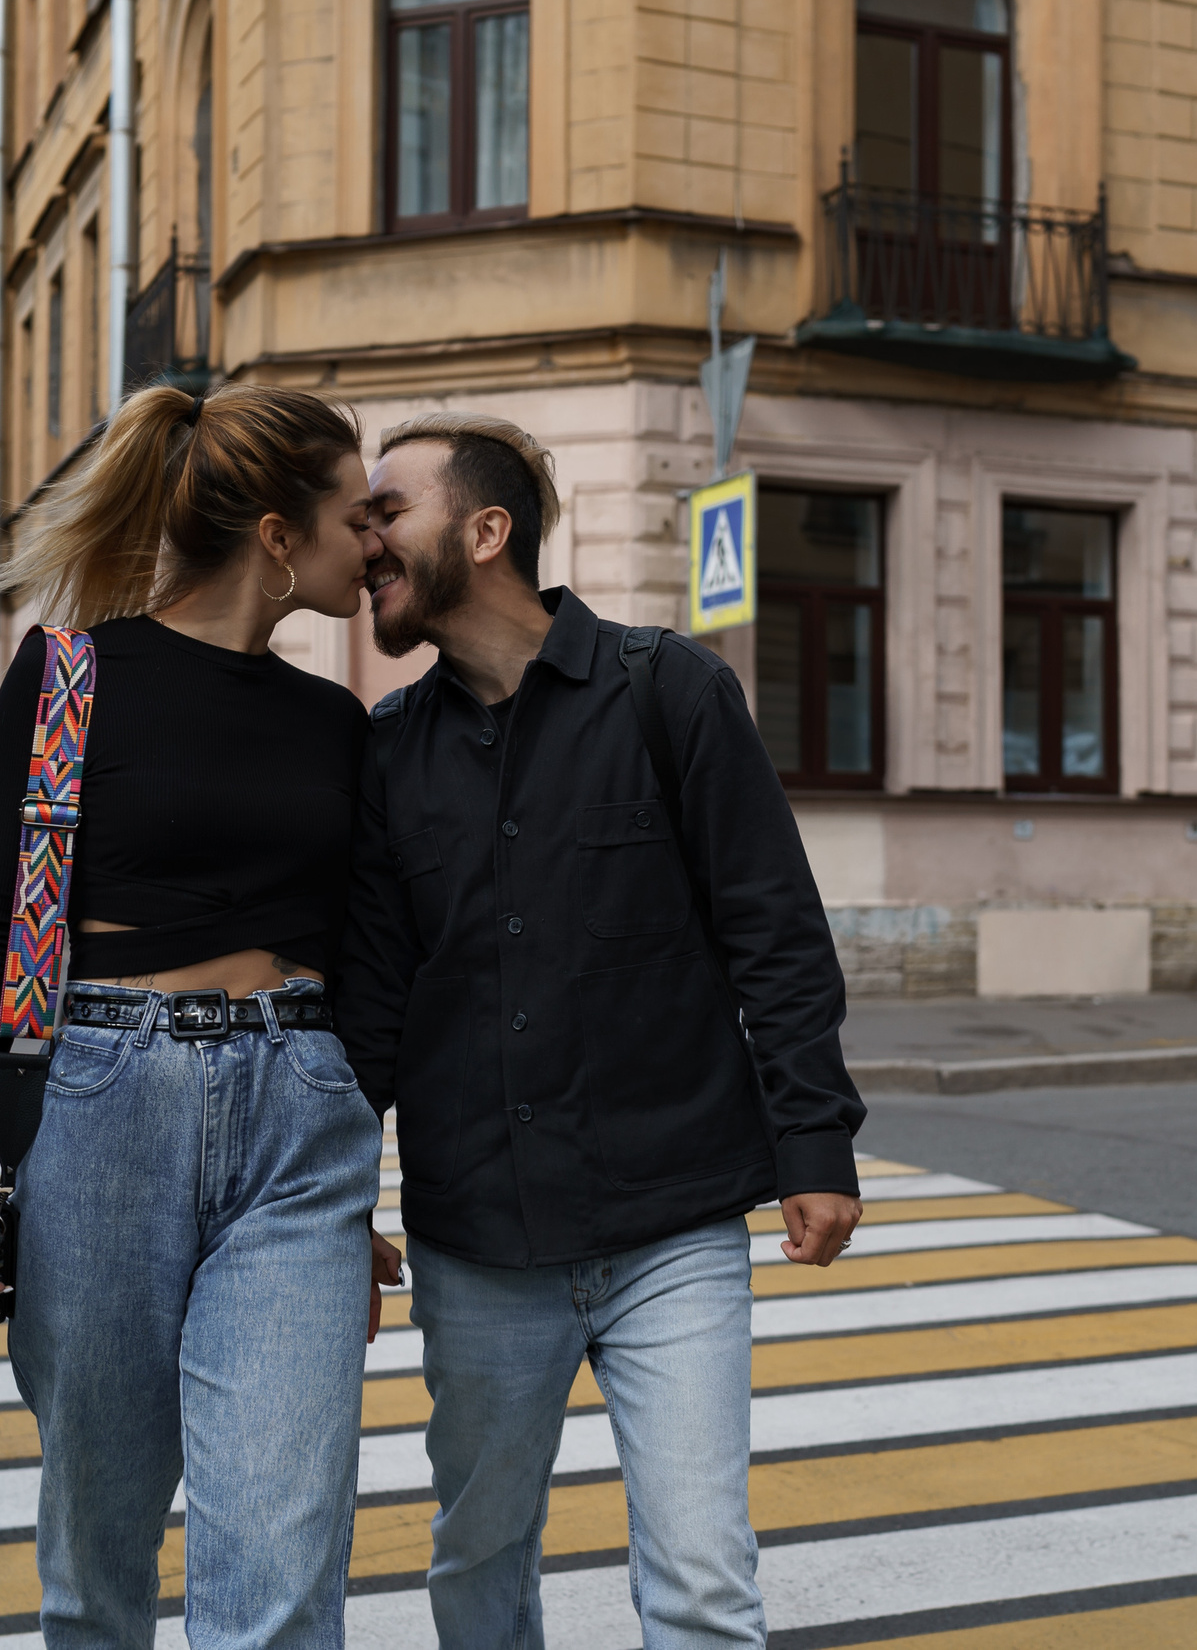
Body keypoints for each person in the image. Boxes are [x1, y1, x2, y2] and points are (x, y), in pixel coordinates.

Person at [342, 414, 868, 1649]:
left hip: (670, 1227)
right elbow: (368, 1004)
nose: (362, 537)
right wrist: (330, 1198)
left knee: (699, 1578)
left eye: (387, 510)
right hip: (476, 1243)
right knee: (477, 1557)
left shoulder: (667, 690)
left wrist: (814, 1143)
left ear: (485, 532)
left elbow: (773, 932)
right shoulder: (382, 756)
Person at [0, 381, 398, 1650]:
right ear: (280, 535)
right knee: (101, 1545)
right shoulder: (68, 679)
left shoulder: (339, 724)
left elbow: (363, 961)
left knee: (285, 1560)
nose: (379, 542)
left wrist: (359, 1187)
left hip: (301, 1120)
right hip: (104, 1109)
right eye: (357, 517)